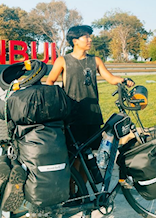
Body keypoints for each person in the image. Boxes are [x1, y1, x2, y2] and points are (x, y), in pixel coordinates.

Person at [45, 25, 134, 193]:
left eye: (89, 36)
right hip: (72, 116)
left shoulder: (95, 60)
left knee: (88, 155)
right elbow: (50, 81)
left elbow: (109, 77)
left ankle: (82, 191)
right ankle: (71, 191)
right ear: (74, 41)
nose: (90, 39)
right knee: (74, 156)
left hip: (92, 114)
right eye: (85, 37)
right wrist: (57, 101)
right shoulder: (63, 61)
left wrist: (123, 80)